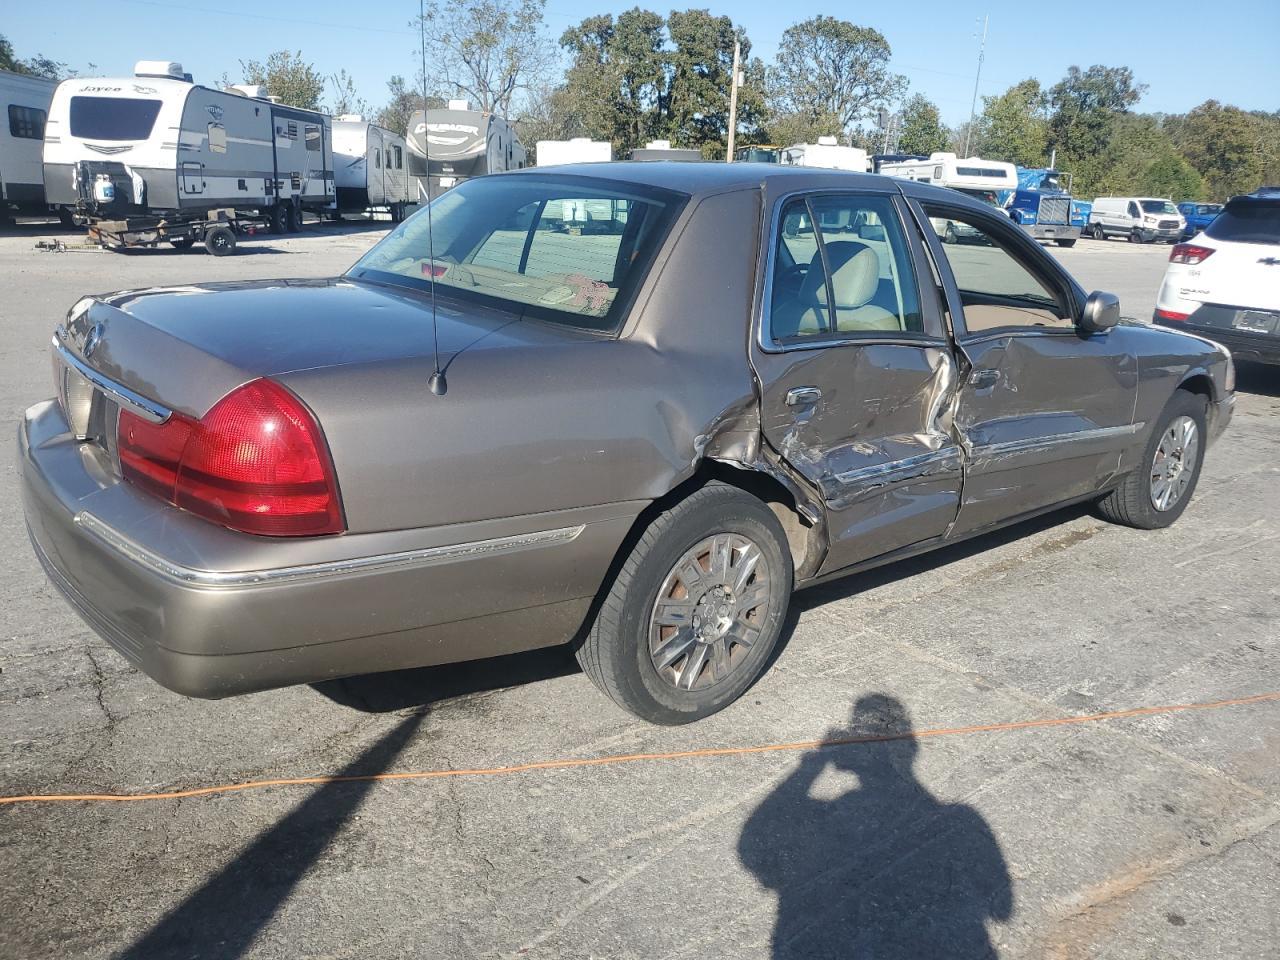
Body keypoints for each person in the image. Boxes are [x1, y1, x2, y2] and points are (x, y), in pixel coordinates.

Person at [739, 694, 1013, 959]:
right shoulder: (962, 817)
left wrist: (813, 765)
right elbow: (1003, 910)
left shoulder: (957, 817)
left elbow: (753, 840)